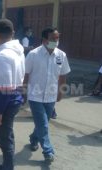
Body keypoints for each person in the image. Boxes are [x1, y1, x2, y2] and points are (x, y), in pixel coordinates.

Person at [23, 27, 71, 163]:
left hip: (51, 96)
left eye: (57, 38)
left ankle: (33, 138)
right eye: (53, 39)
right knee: (43, 124)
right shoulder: (33, 54)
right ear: (44, 40)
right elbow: (26, 75)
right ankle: (48, 151)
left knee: (42, 123)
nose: (56, 41)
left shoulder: (61, 55)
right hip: (35, 96)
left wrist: (60, 92)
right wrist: (24, 93)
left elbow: (62, 76)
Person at [0, 19, 25, 170]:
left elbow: (4, 90)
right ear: (12, 33)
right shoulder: (18, 51)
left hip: (5, 103)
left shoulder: (3, 56)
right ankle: (7, 164)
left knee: (4, 138)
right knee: (7, 133)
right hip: (14, 99)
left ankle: (8, 167)